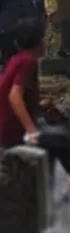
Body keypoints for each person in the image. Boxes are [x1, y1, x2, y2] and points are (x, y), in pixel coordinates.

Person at [0, 18, 44, 148]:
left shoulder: (16, 59)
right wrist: (32, 131)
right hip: (12, 133)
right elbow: (15, 97)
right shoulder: (28, 62)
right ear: (40, 42)